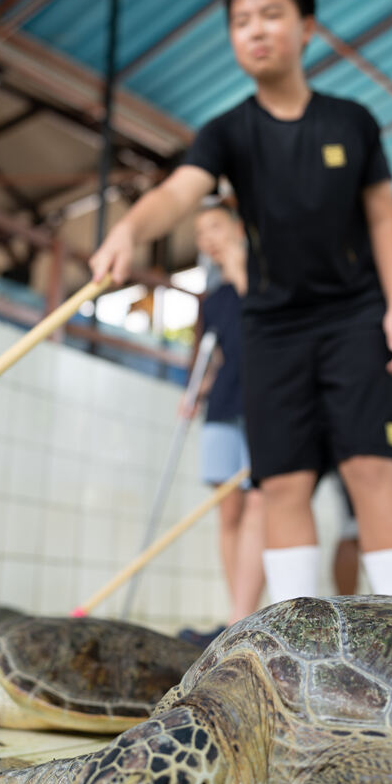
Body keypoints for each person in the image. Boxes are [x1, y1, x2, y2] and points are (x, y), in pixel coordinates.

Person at [90, 0, 392, 602]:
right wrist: (129, 229)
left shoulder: (352, 122)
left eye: (272, 15)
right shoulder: (226, 131)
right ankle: (294, 633)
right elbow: (180, 194)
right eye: (241, 21)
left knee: (370, 467)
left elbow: (382, 218)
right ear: (232, 38)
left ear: (306, 29)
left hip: (355, 316)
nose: (257, 30)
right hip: (273, 325)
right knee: (282, 481)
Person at [178, 200, 265, 648]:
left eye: (214, 227)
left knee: (259, 505)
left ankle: (245, 616)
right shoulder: (212, 302)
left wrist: (238, 267)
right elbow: (214, 357)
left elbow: (272, 323)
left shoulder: (266, 278)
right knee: (228, 511)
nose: (207, 238)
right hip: (224, 404)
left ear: (237, 227)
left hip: (265, 402)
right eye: (199, 234)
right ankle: (237, 617)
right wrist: (197, 391)